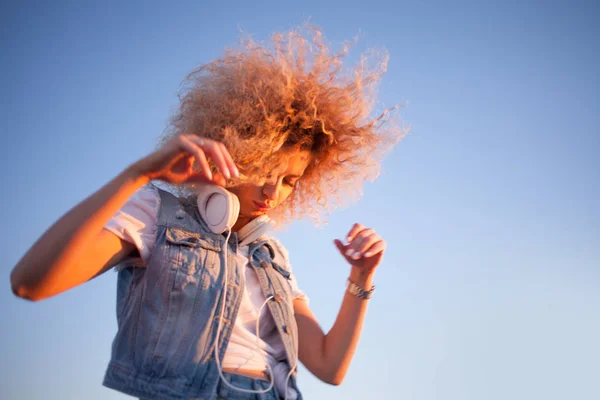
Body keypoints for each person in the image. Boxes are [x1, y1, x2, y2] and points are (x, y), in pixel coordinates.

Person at [10, 27, 403, 400]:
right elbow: (31, 283)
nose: (273, 190)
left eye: (289, 181)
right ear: (235, 149)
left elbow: (329, 366)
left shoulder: (272, 257)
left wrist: (361, 277)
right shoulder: (157, 214)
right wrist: (138, 174)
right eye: (265, 169)